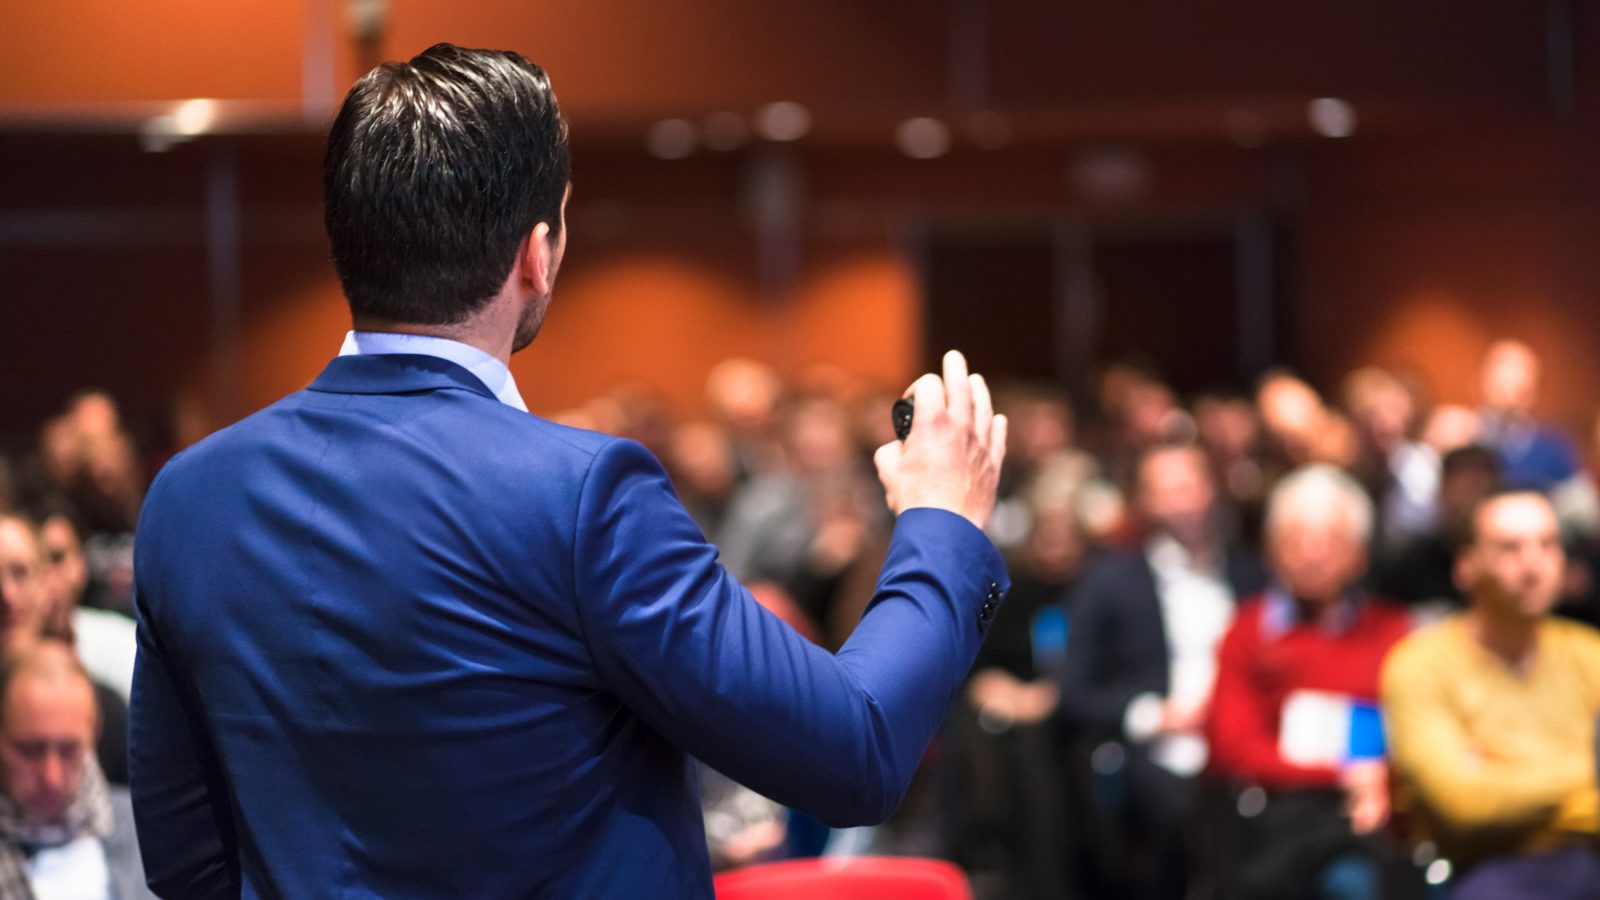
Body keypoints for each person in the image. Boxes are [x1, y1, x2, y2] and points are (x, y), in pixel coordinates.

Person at [128, 44, 1009, 899]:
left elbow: (189, 860)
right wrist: (943, 522)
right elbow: (853, 750)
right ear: (536, 254)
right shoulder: (582, 495)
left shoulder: (188, 497)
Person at [1056, 442, 1266, 899]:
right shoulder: (1110, 578)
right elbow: (1073, 691)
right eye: (1167, 490)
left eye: (1190, 486)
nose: (1183, 501)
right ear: (1145, 501)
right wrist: (1155, 715)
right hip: (1152, 752)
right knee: (1172, 814)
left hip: (1240, 750)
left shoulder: (1249, 574)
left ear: (1211, 490)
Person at [1205, 464, 1413, 900]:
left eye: (1330, 542)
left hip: (1372, 816)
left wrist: (1382, 779)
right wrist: (1338, 774)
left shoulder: (1394, 632)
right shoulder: (1245, 631)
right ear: (1269, 551)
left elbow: (1416, 735)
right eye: (1295, 540)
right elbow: (1234, 745)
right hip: (1276, 815)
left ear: (1359, 554)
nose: (1312, 554)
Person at [1381, 491, 1600, 898]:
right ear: (1467, 567)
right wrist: (1590, 774)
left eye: (1548, 545)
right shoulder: (1420, 664)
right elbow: (1463, 805)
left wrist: (1503, 767)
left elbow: (1484, 792)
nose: (1534, 564)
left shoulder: (1591, 655)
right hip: (1479, 871)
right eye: (1510, 548)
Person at [0, 640, 151, 900]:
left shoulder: (143, 829)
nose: (51, 777)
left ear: (95, 733)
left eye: (69, 751)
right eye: (29, 751)